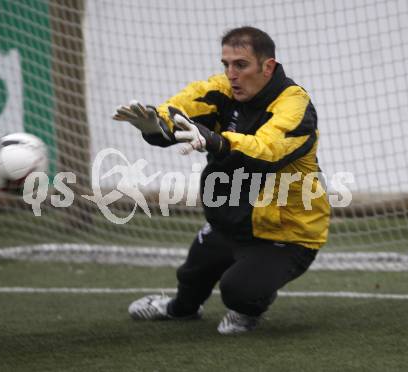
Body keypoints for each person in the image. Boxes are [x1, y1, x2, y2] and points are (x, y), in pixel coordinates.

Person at [113, 26, 330, 334]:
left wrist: (217, 141)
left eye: (240, 64)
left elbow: (265, 152)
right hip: (232, 222)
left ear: (267, 67)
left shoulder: (294, 105)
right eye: (226, 64)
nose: (231, 74)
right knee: (191, 276)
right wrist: (155, 124)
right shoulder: (222, 91)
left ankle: (250, 307)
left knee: (238, 291)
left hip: (287, 232)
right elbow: (182, 109)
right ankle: (180, 310)